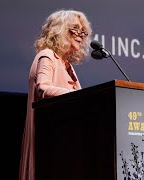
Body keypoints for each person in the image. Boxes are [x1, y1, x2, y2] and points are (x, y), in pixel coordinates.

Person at [19, 9, 92, 180]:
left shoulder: (67, 65)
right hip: (50, 139)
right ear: (60, 29)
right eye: (75, 29)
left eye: (83, 31)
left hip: (66, 137)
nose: (81, 35)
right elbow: (43, 88)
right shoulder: (47, 56)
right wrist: (76, 95)